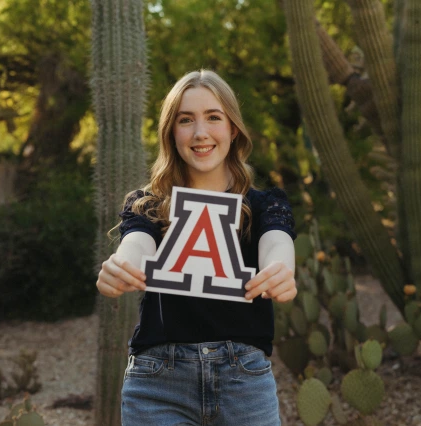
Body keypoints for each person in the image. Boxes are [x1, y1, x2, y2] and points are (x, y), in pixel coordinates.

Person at [96, 69, 297, 426]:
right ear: (171, 133)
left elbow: (276, 241)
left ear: (233, 129)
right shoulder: (147, 204)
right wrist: (122, 264)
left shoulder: (266, 204)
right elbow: (137, 244)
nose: (200, 133)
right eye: (185, 120)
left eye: (213, 118)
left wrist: (279, 268)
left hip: (244, 381)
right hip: (157, 382)